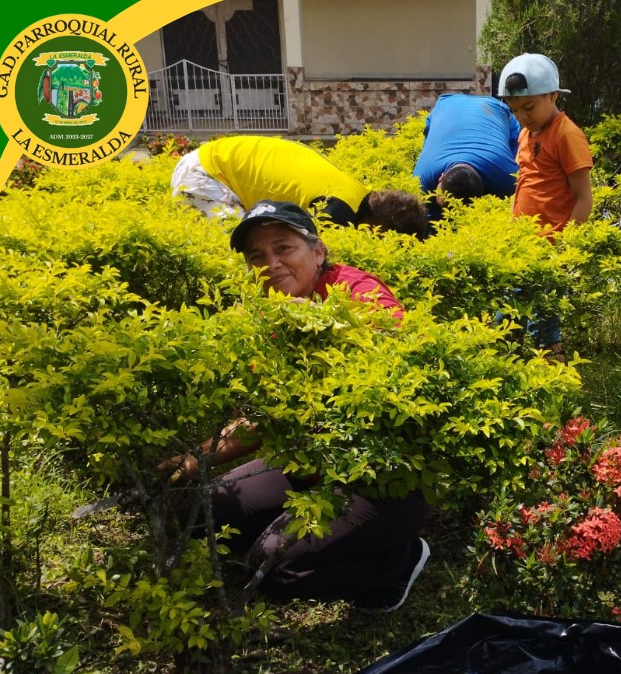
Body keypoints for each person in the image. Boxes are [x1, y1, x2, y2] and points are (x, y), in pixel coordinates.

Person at [163, 200, 431, 611]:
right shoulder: (272, 313)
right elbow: (261, 418)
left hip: (383, 478)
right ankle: (315, 537)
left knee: (272, 569)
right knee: (200, 513)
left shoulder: (356, 289)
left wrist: (321, 325)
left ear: (318, 251)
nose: (271, 264)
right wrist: (194, 461)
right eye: (257, 256)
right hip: (310, 463)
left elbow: (404, 353)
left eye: (283, 248)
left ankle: (400, 561)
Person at [497, 52, 594, 360]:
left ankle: (554, 381)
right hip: (521, 247)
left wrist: (564, 248)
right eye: (514, 110)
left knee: (544, 326)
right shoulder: (526, 133)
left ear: (553, 95)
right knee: (504, 322)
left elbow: (584, 198)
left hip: (549, 249)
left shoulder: (567, 135)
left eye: (528, 107)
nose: (522, 116)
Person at [171, 135, 429, 239]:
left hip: (215, 159)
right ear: (381, 227)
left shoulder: (356, 192)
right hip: (206, 174)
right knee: (241, 251)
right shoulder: (338, 211)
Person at [412, 93, 520, 220]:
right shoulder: (422, 175)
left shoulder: (508, 177)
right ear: (441, 178)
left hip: (495, 109)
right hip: (446, 105)